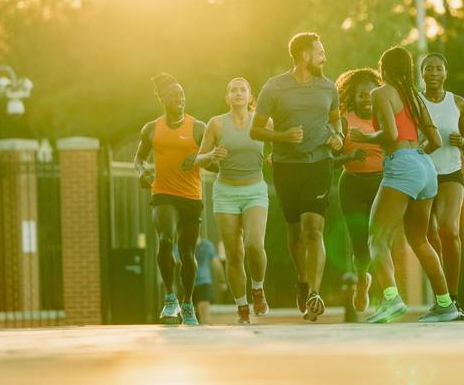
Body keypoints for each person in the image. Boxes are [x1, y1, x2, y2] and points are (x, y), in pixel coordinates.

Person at [349, 46, 459, 324]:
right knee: (420, 240)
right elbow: (434, 141)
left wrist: (362, 137)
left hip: (402, 165)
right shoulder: (416, 99)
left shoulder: (381, 93)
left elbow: (390, 133)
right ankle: (446, 305)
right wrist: (414, 153)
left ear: (383, 68)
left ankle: (391, 300)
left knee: (376, 238)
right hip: (425, 166)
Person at [250, 33, 343, 321]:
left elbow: (335, 119)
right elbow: (256, 130)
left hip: (319, 164)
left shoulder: (328, 87)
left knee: (313, 228)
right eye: (320, 52)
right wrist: (283, 136)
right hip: (286, 165)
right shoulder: (274, 88)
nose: (324, 57)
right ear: (304, 55)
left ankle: (315, 292)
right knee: (294, 230)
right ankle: (302, 280)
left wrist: (338, 135)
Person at [196, 77, 271, 325]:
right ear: (227, 97)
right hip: (226, 193)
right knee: (234, 253)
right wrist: (212, 154)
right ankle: (242, 307)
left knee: (253, 244)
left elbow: (283, 148)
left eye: (242, 89)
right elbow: (200, 160)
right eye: (233, 90)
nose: (238, 93)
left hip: (254, 191)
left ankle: (257, 289)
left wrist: (274, 159)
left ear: (250, 96)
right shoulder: (216, 124)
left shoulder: (263, 121)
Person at [134, 73, 206, 326]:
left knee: (187, 252)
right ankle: (169, 298)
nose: (180, 99)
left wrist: (197, 158)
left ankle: (187, 303)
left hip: (191, 197)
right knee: (165, 240)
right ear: (163, 99)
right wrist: (142, 172)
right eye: (175, 96)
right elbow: (139, 158)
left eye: (183, 95)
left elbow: (215, 162)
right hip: (163, 192)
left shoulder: (198, 128)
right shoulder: (151, 129)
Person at [419, 52, 464, 320]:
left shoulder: (459, 104)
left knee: (449, 230)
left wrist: (463, 143)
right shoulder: (414, 103)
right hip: (421, 175)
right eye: (428, 68)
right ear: (422, 74)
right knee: (429, 240)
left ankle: (453, 298)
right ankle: (442, 300)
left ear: (445, 73)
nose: (433, 73)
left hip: (451, 173)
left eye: (438, 68)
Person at [333, 68, 383, 313]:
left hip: (383, 185)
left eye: (372, 94)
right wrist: (349, 155)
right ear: (353, 97)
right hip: (351, 185)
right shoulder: (344, 120)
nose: (367, 99)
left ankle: (387, 293)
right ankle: (362, 281)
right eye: (362, 95)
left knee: (380, 240)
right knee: (360, 244)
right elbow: (329, 159)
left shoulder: (385, 119)